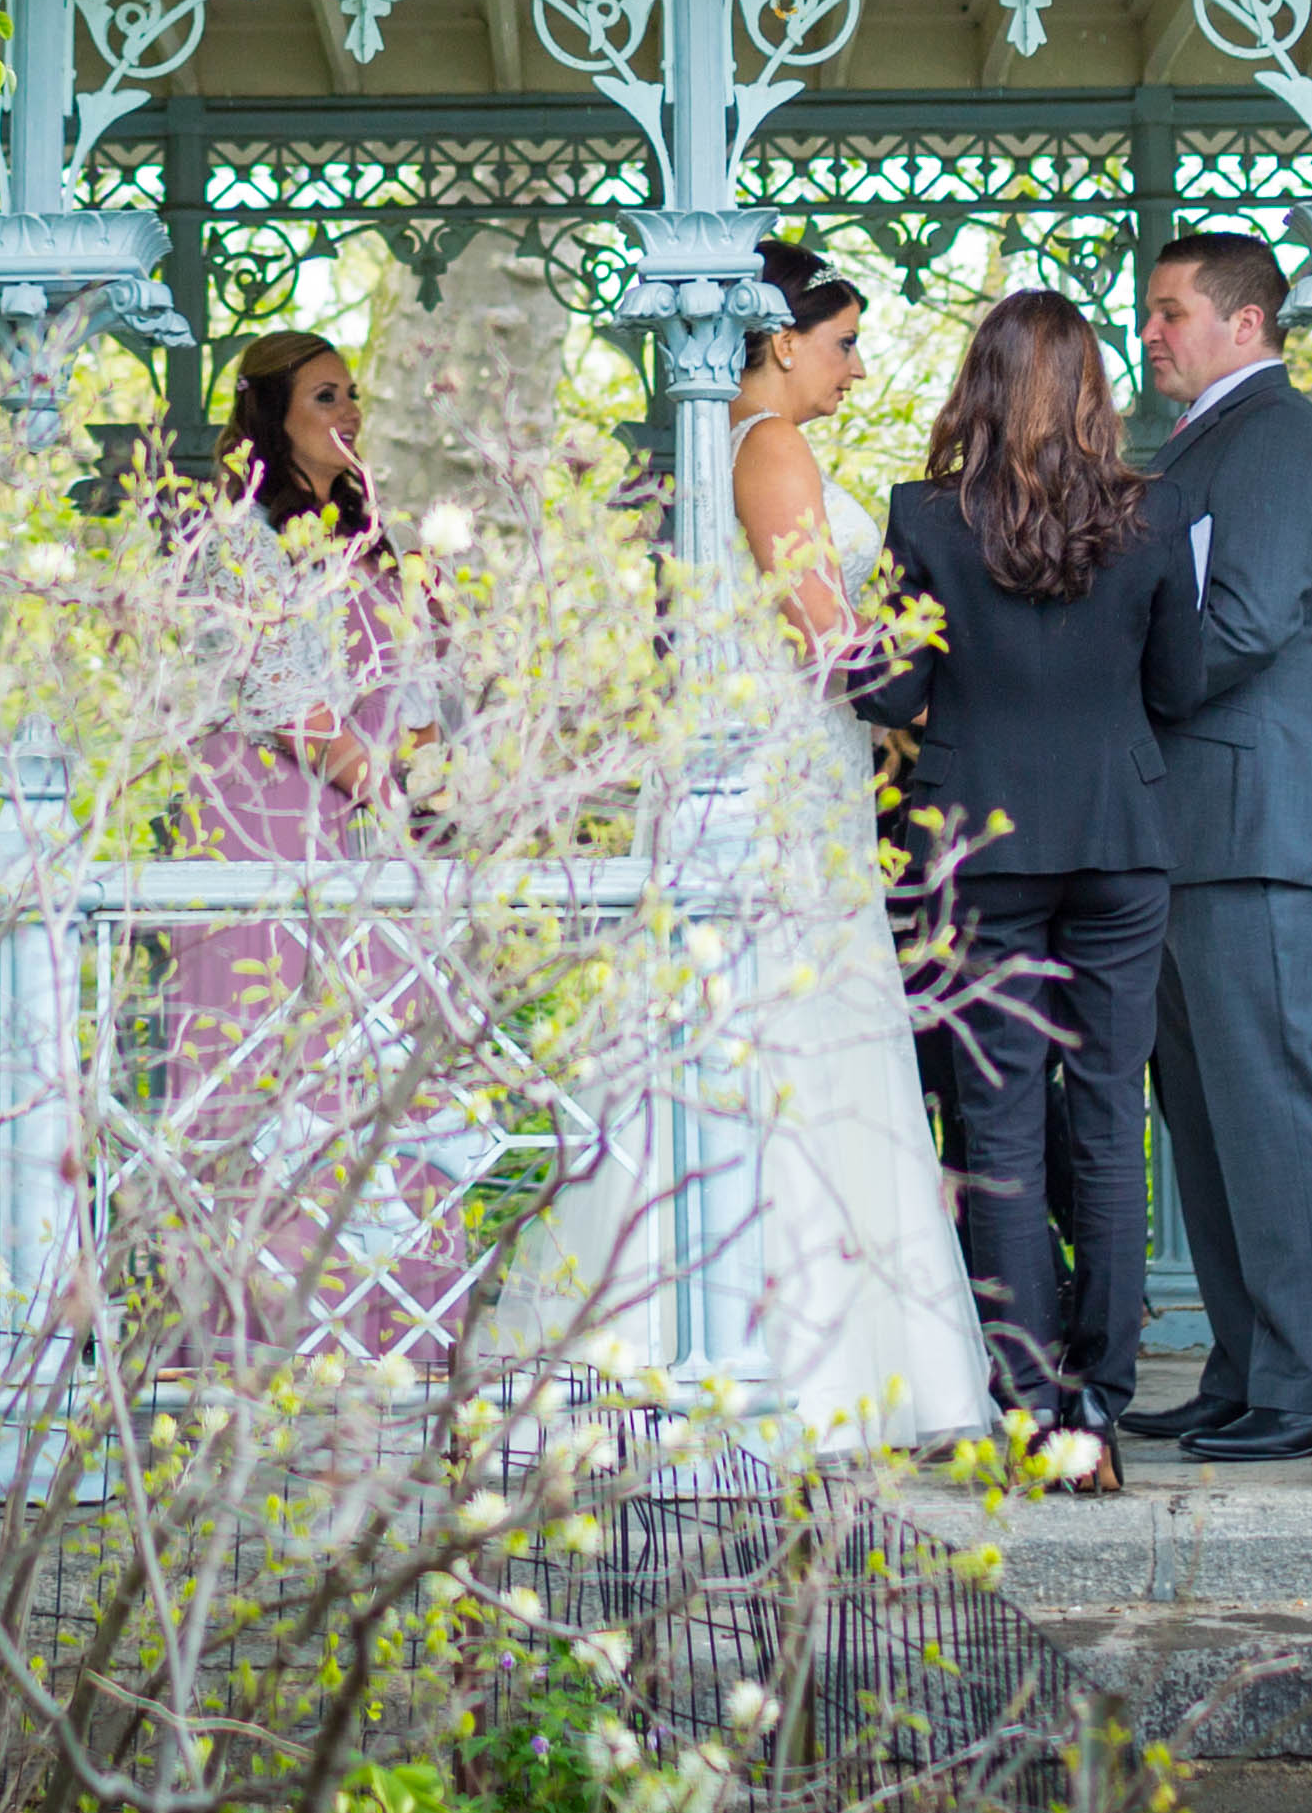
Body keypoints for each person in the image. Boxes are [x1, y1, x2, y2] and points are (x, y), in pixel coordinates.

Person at [520, 245, 1000, 1451]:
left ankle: (744, 1343)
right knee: (787, 1050)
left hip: (788, 789)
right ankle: (806, 1363)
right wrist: (961, 693)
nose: (855, 367)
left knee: (762, 1058)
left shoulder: (713, 453)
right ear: (781, 340)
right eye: (841, 342)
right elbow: (826, 642)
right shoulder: (765, 445)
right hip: (777, 800)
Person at [861, 288, 1207, 1488]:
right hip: (1119, 841)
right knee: (1110, 1125)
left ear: (982, 386)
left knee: (1000, 1132)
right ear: (1094, 391)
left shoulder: (925, 520)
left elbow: (891, 699)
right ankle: (1096, 1411)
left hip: (978, 849)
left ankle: (1024, 1413)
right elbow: (1184, 679)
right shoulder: (1150, 519)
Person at [167, 329, 475, 1358]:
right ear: (268, 416)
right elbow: (285, 699)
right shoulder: (240, 541)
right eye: (323, 397)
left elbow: (422, 693)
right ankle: (265, 1330)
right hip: (271, 823)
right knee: (278, 1067)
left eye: (354, 396)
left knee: (381, 1065)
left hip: (375, 837)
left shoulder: (377, 544)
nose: (348, 413)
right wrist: (385, 787)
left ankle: (394, 1323)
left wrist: (436, 785)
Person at [1117, 232, 1312, 1468]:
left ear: (1245, 324)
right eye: (1148, 314)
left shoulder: (1278, 436)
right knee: (1204, 1119)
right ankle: (1242, 1365)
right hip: (1191, 825)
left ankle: (1309, 1375)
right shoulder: (1201, 439)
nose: (1150, 332)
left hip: (1258, 820)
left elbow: (1248, 619)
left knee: (1272, 1104)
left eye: (1168, 313)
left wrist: (1107, 690)